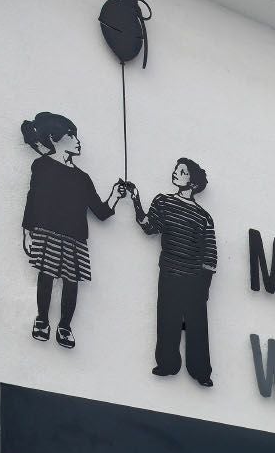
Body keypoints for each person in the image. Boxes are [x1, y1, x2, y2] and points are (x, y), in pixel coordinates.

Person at [19, 112, 122, 349]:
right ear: (55, 139)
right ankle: (42, 320)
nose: (77, 140)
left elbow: (100, 211)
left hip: (75, 237)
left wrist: (115, 196)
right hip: (48, 232)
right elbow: (32, 199)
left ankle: (65, 325)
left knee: (71, 282)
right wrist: (27, 231)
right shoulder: (42, 166)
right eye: (71, 135)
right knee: (46, 276)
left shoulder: (83, 178)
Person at [124, 159, 218, 385]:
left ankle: (201, 372)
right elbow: (150, 227)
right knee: (167, 319)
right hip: (169, 272)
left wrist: (204, 285)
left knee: (196, 325)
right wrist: (136, 199)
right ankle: (167, 364)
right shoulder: (163, 202)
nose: (176, 174)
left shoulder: (203, 216)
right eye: (177, 170)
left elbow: (210, 254)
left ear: (193, 182)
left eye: (183, 172)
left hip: (194, 278)